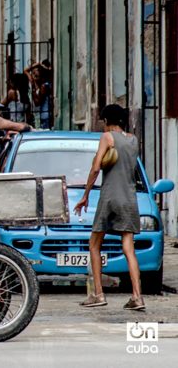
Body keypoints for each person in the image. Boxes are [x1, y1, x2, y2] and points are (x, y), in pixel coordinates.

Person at [74, 104, 144, 310]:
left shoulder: (107, 138)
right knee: (128, 249)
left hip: (110, 197)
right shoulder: (133, 140)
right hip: (129, 199)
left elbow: (96, 168)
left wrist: (85, 195)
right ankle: (137, 297)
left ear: (107, 121)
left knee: (95, 244)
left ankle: (98, 294)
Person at [26, 61, 53, 128]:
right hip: (40, 115)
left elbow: (37, 102)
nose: (34, 74)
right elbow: (25, 70)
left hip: (45, 115)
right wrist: (37, 64)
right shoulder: (36, 83)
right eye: (33, 72)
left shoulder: (44, 85)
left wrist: (33, 90)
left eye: (37, 71)